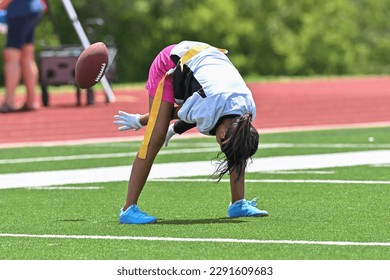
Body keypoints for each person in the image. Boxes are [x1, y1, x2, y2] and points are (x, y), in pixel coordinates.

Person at [114, 40, 269, 224]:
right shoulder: (210, 105)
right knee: (155, 137)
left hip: (202, 62)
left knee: (239, 143)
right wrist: (142, 121)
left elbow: (200, 115)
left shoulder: (246, 112)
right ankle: (128, 208)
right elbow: (175, 113)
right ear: (220, 136)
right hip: (170, 64)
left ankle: (238, 203)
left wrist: (174, 129)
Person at [0, 0, 44, 113]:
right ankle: (31, 101)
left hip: (19, 13)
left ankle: (9, 101)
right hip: (34, 10)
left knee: (11, 55)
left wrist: (1, 5)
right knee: (27, 55)